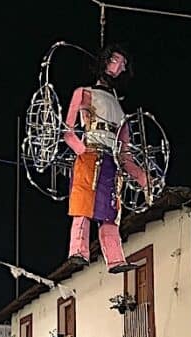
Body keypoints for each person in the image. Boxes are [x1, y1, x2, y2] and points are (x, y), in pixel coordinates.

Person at [64, 44, 147, 272]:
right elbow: (68, 132)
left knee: (110, 213)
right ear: (104, 61)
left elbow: (125, 153)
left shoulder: (121, 112)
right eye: (115, 60)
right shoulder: (84, 93)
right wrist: (82, 150)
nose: (119, 67)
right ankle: (78, 251)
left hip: (112, 161)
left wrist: (143, 178)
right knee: (83, 206)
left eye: (123, 64)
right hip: (90, 155)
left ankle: (116, 259)